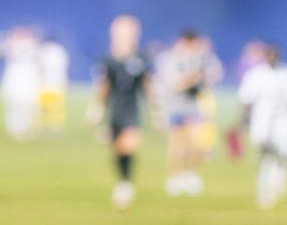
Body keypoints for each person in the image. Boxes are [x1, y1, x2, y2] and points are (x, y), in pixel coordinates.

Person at [88, 15, 154, 210]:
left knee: (129, 145)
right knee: (118, 149)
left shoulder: (141, 59)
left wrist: (156, 111)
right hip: (114, 109)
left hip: (132, 108)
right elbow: (103, 87)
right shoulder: (108, 60)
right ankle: (121, 181)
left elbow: (147, 86)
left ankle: (126, 185)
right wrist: (96, 110)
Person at [236, 43, 287, 209]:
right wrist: (242, 121)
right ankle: (264, 190)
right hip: (262, 119)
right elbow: (246, 99)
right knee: (264, 153)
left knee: (285, 152)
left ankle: (279, 177)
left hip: (283, 119)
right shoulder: (256, 75)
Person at [160, 30, 220, 197]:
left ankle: (189, 174)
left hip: (193, 106)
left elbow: (213, 76)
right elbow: (172, 84)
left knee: (196, 142)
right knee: (177, 145)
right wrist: (191, 79)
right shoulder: (172, 59)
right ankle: (174, 178)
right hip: (176, 107)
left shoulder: (201, 60)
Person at [1, 26, 41, 140]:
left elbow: (37, 61)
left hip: (27, 80)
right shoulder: (12, 44)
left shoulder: (32, 45)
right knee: (14, 105)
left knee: (28, 105)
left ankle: (24, 128)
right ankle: (15, 129)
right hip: (16, 80)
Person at [37, 35, 70, 134]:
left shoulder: (44, 51)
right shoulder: (61, 51)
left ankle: (44, 126)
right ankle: (56, 127)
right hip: (59, 82)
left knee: (44, 108)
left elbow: (40, 67)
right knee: (56, 108)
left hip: (46, 83)